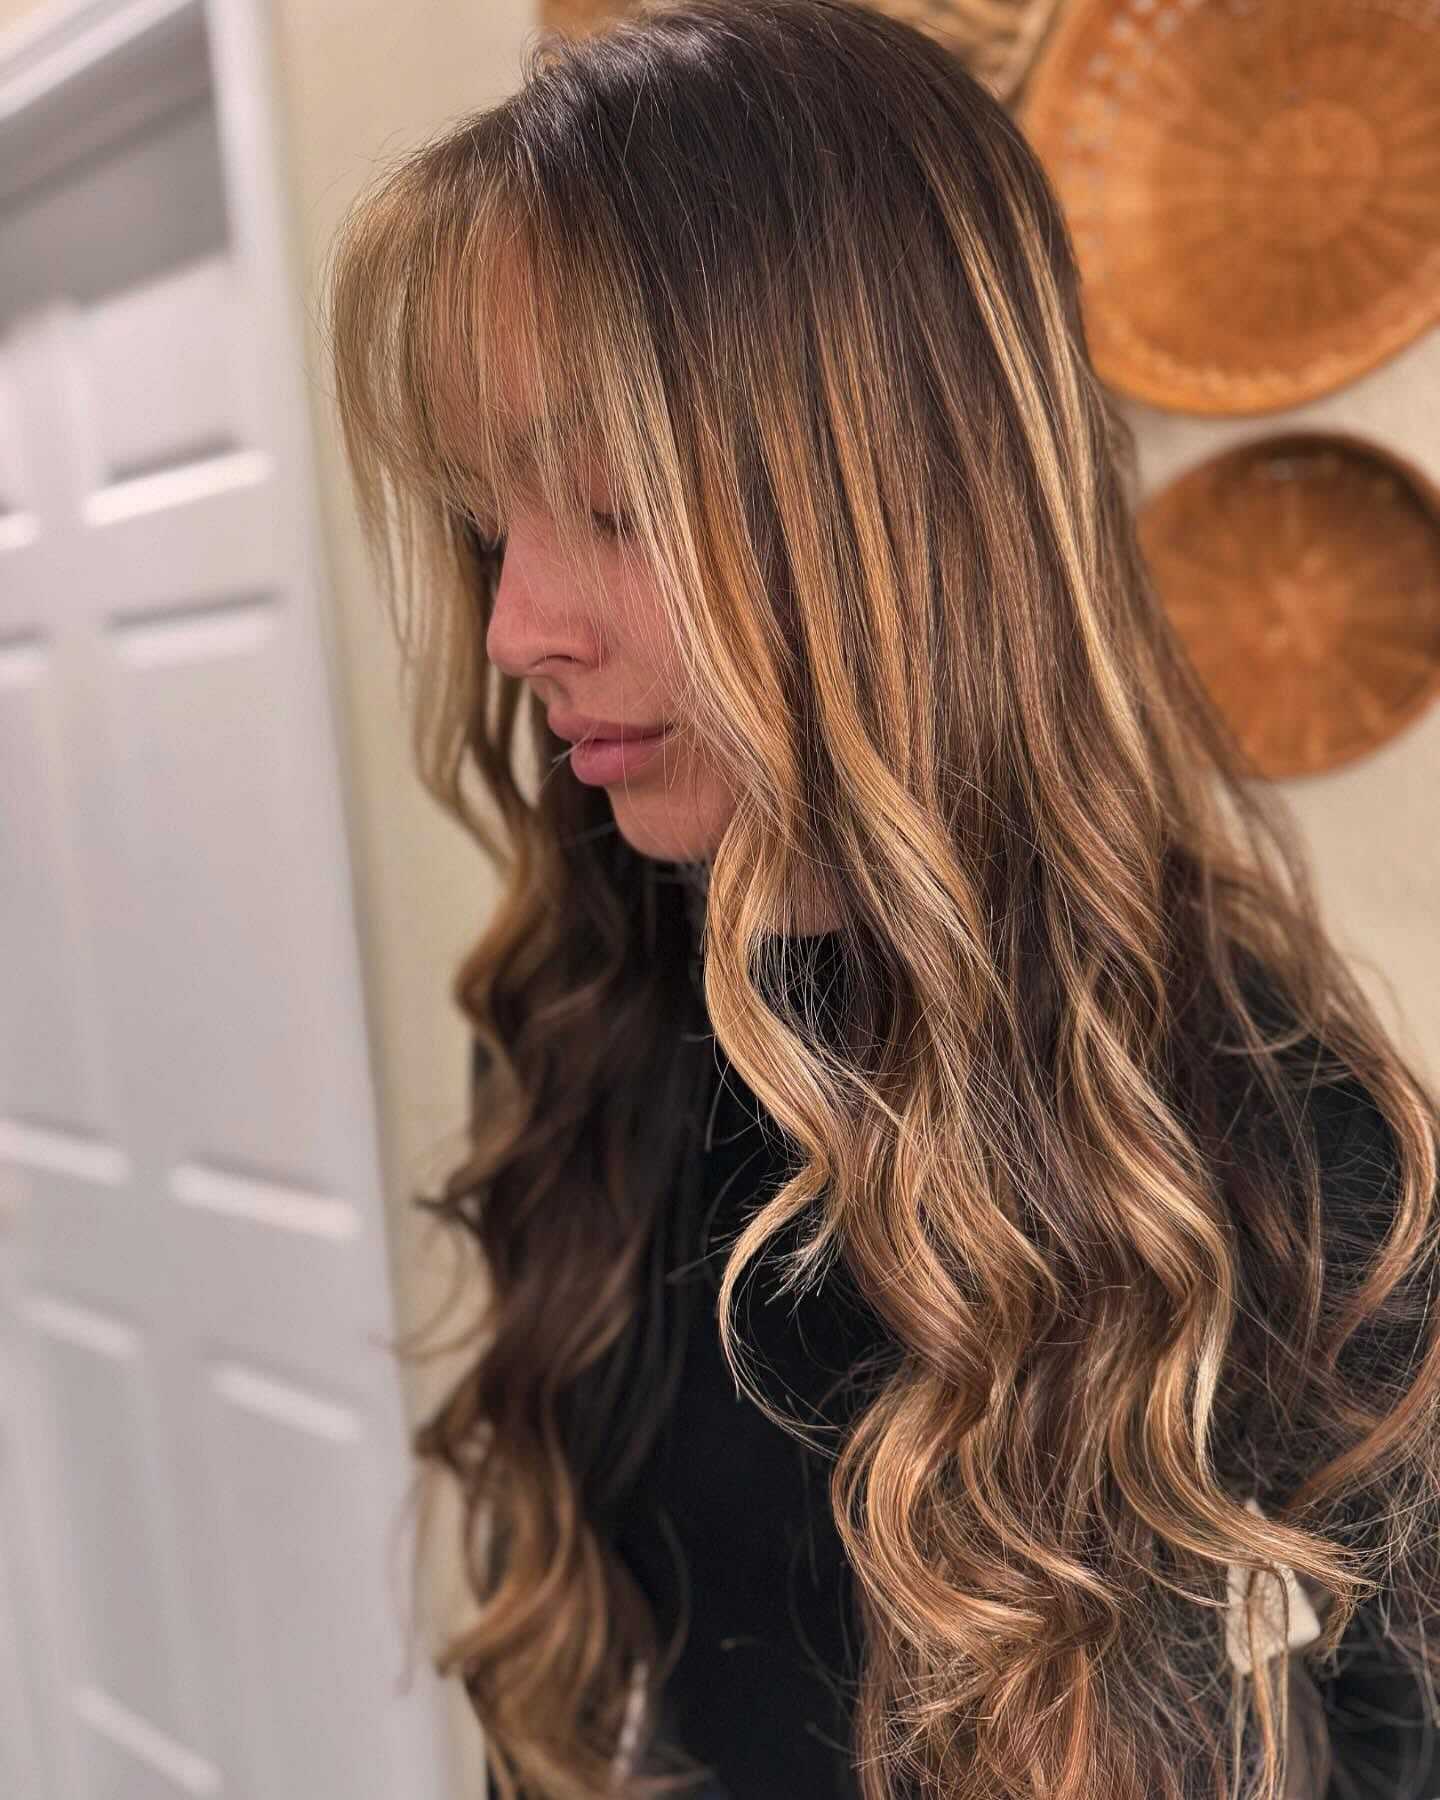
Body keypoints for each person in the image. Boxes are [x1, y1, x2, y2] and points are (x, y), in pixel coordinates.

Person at [321, 2, 1440, 1795]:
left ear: (910, 500)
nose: (520, 621)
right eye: (486, 517)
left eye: (612, 502)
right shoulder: (592, 1015)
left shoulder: (1274, 1149)